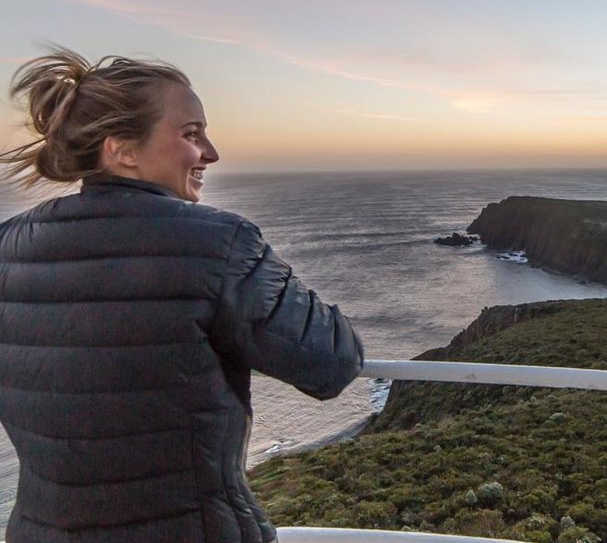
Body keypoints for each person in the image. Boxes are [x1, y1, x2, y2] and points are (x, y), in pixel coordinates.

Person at [0, 47, 365, 542]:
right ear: (123, 150)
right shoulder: (219, 242)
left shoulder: (7, 246)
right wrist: (257, 265)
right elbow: (331, 364)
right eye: (191, 134)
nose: (210, 152)